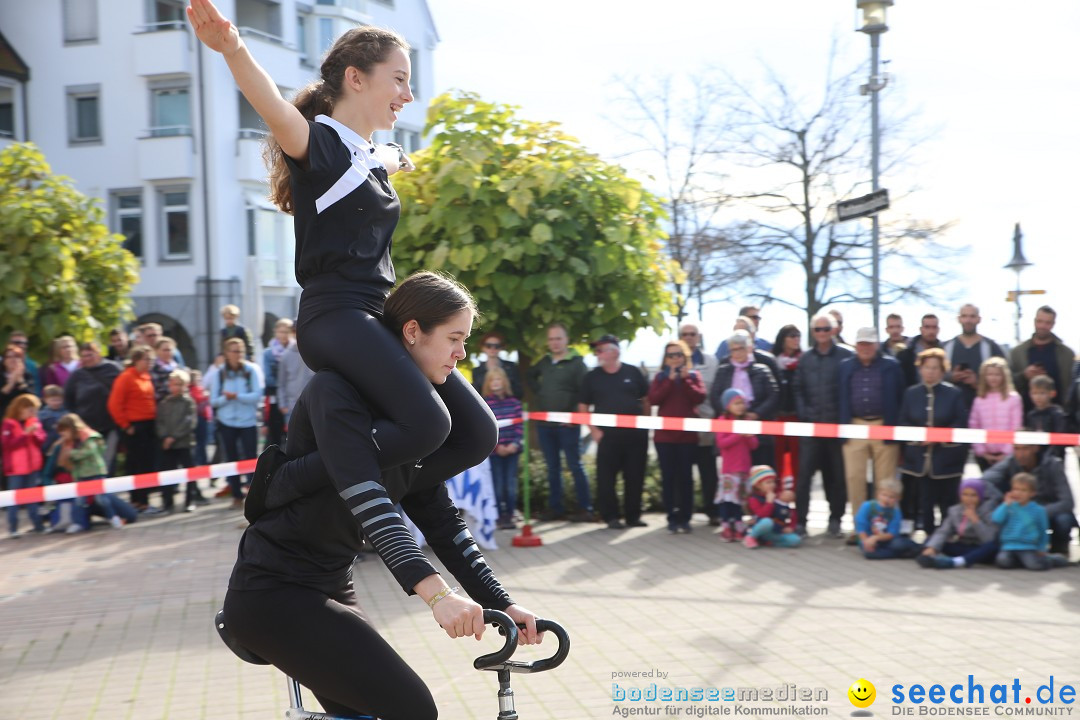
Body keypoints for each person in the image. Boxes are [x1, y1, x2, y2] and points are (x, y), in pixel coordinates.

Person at [189, 0, 495, 492]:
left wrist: (395, 159)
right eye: (398, 79)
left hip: (378, 314)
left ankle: (377, 500)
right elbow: (272, 105)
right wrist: (234, 48)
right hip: (334, 317)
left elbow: (383, 158)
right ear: (356, 78)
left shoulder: (372, 157)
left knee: (477, 433)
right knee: (429, 425)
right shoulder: (319, 145)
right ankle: (288, 482)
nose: (409, 94)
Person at [222, 271, 541, 720]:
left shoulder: (409, 419)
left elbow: (441, 519)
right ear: (412, 332)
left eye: (465, 340)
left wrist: (500, 600)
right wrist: (437, 595)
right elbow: (369, 502)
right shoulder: (335, 391)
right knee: (411, 710)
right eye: (453, 338)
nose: (461, 354)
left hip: (330, 587)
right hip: (273, 594)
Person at [838, 327, 904, 543]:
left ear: (876, 344)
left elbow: (900, 396)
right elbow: (839, 396)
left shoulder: (891, 366)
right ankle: (860, 529)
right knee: (854, 478)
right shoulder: (845, 367)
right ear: (855, 345)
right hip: (854, 425)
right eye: (861, 344)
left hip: (883, 424)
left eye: (869, 343)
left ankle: (883, 530)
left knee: (884, 481)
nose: (865, 348)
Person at [579, 333, 649, 530]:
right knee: (606, 480)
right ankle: (610, 517)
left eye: (600, 349)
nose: (597, 353)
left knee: (635, 477)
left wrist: (644, 425)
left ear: (614, 351)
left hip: (635, 437)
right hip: (607, 438)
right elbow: (583, 406)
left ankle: (633, 517)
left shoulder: (633, 372)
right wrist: (593, 431)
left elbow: (646, 400)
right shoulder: (592, 377)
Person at [792, 313, 852, 537]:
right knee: (804, 477)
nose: (822, 333)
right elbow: (797, 388)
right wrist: (804, 414)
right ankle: (800, 523)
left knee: (837, 477)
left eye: (826, 329)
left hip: (837, 429)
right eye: (818, 330)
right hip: (810, 428)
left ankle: (835, 520)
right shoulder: (806, 358)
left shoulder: (846, 356)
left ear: (834, 330)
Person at [897, 348, 968, 534]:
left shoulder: (954, 394)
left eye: (935, 368)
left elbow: (960, 422)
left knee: (948, 502)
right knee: (924, 502)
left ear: (943, 370)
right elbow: (903, 421)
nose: (931, 371)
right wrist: (918, 435)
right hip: (919, 459)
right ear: (920, 369)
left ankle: (948, 537)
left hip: (946, 459)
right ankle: (928, 537)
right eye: (927, 367)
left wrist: (938, 436)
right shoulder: (911, 393)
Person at [527, 322, 592, 522]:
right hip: (546, 425)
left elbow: (585, 393)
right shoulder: (544, 362)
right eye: (551, 339)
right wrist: (540, 395)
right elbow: (530, 377)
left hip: (568, 425)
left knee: (575, 465)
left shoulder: (577, 363)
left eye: (558, 338)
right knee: (552, 467)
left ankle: (585, 509)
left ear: (567, 340)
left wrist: (574, 416)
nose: (555, 343)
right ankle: (556, 509)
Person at [648, 339, 705, 534]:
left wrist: (686, 380)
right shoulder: (659, 377)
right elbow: (654, 399)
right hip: (664, 438)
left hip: (687, 438)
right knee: (669, 478)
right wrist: (669, 381)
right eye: (671, 355)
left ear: (685, 357)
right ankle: (671, 517)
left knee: (686, 478)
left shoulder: (694, 375)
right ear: (666, 358)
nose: (675, 358)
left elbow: (699, 397)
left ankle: (685, 518)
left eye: (678, 355)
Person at [981, 437, 1076, 555]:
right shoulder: (1010, 461)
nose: (1020, 454)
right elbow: (985, 480)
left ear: (1035, 448)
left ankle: (1059, 550)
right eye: (1016, 449)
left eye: (1025, 449)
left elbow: (1067, 502)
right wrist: (1002, 498)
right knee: (997, 513)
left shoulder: (1053, 465)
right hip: (1019, 508)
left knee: (1064, 520)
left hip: (1047, 509)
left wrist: (1037, 512)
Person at [55, 413, 135, 531]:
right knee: (79, 500)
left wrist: (71, 454)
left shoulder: (88, 436)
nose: (62, 434)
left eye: (64, 431)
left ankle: (113, 517)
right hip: (81, 475)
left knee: (101, 498)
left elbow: (90, 451)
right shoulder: (69, 442)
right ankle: (78, 522)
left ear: (71, 428)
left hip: (95, 472)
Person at [710, 330, 778, 467]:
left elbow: (774, 395)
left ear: (749, 348)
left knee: (761, 471)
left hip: (758, 428)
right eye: (733, 350)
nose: (737, 353)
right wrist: (729, 413)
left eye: (740, 348)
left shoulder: (762, 370)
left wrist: (756, 414)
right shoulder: (723, 370)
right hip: (730, 430)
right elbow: (715, 395)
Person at [210, 338, 263, 509]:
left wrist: (237, 396)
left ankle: (254, 495)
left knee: (251, 460)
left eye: (240, 350)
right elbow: (213, 401)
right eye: (234, 351)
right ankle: (236, 495)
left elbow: (257, 396)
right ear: (226, 353)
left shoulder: (251, 370)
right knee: (231, 461)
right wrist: (226, 398)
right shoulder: (219, 373)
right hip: (227, 422)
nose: (238, 354)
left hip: (248, 421)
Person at [106, 346, 159, 512]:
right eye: (146, 359)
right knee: (138, 465)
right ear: (136, 360)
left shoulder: (146, 376)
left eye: (151, 360)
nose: (150, 363)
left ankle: (140, 500)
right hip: (135, 428)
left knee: (144, 464)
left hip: (148, 426)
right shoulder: (126, 377)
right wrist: (125, 425)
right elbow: (114, 404)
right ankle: (140, 502)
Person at [679, 323, 720, 525]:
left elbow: (717, 391)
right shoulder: (671, 360)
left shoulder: (712, 361)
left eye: (692, 334)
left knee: (708, 471)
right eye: (684, 334)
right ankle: (683, 512)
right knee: (683, 471)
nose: (688, 337)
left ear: (699, 337)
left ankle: (712, 511)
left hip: (705, 423)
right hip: (681, 426)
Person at [64, 342, 122, 469]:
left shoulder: (113, 369)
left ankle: (108, 488)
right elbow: (68, 399)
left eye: (90, 355)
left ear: (98, 353)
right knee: (91, 460)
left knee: (107, 460)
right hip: (87, 426)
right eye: (83, 356)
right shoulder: (77, 375)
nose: (87, 359)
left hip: (110, 424)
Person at [917, 478, 999, 569]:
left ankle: (957, 562)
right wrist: (932, 547)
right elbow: (943, 531)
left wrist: (975, 520)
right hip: (963, 546)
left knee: (993, 546)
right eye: (965, 494)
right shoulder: (955, 510)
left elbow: (989, 538)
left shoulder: (987, 511)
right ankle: (931, 557)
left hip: (980, 548)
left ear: (980, 496)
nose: (969, 499)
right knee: (930, 540)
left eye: (973, 495)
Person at [992, 473, 1068, 570]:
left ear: (1032, 493)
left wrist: (1042, 548)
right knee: (1002, 562)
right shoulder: (1008, 506)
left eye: (1023, 490)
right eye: (1016, 489)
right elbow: (996, 519)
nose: (1018, 493)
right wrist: (1005, 504)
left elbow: (1043, 530)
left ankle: (1053, 559)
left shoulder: (1038, 510)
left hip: (1027, 547)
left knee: (1035, 565)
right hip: (1009, 546)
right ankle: (1021, 561)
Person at [1009, 305, 1075, 413]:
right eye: (1040, 321)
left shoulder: (1066, 353)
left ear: (1053, 324)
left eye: (1047, 323)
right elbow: (1008, 382)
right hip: (1025, 413)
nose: (1043, 326)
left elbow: (1071, 386)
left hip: (1058, 415)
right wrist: (1024, 375)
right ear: (1034, 321)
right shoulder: (1017, 352)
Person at [713, 388, 757, 542]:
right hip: (729, 470)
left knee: (739, 500)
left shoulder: (747, 421)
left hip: (744, 469)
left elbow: (754, 445)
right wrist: (738, 434)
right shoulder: (723, 421)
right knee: (727, 499)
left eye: (742, 403)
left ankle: (738, 526)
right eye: (736, 403)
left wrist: (749, 435)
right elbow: (722, 443)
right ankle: (726, 526)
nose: (740, 406)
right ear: (727, 405)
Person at [482, 367, 523, 530]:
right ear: (488, 384)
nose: (496, 383)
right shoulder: (485, 403)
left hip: (513, 451)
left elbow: (520, 426)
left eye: (498, 379)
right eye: (492, 380)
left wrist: (514, 444)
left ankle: (511, 514)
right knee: (497, 485)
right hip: (495, 452)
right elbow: (486, 428)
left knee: (510, 485)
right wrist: (497, 447)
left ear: (504, 382)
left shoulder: (514, 403)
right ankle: (499, 515)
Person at [942, 304, 1005, 410]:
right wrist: (951, 377)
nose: (968, 320)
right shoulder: (947, 347)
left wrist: (977, 382)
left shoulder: (991, 347)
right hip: (951, 408)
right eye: (964, 316)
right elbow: (934, 376)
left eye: (972, 316)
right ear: (959, 319)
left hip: (985, 408)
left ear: (979, 319)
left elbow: (1005, 379)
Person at [967, 357, 1023, 471]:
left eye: (997, 374)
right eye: (990, 374)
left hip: (1007, 455)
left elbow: (1016, 426)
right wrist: (981, 451)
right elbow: (974, 425)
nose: (993, 378)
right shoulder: (979, 399)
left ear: (1004, 376)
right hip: (985, 455)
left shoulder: (1013, 398)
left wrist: (1007, 451)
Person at [3, 394, 47, 537]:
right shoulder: (8, 424)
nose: (33, 414)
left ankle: (38, 526)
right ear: (20, 408)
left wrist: (34, 434)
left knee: (33, 497)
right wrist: (25, 434)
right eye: (30, 410)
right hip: (16, 469)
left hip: (32, 467)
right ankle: (13, 528)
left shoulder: (33, 421)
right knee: (14, 499)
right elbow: (7, 445)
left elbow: (41, 440)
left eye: (34, 411)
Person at [157, 369, 201, 513]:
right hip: (168, 445)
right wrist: (165, 436)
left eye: (179, 384)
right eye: (173, 384)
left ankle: (190, 500)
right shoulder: (164, 403)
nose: (176, 387)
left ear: (185, 385)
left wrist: (174, 437)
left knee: (190, 473)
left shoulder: (189, 403)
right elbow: (160, 422)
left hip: (184, 443)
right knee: (167, 474)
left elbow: (189, 422)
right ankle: (167, 503)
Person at [771, 324, 802, 496]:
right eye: (792, 335)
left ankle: (796, 500)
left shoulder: (803, 361)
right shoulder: (773, 361)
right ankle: (776, 499)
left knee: (797, 463)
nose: (796, 339)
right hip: (778, 418)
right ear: (783, 339)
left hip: (797, 418)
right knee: (777, 462)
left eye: (798, 335)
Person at [855, 480, 921, 559]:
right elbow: (861, 527)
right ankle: (900, 554)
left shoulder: (896, 512)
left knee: (899, 544)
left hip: (887, 540)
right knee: (869, 553)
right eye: (884, 495)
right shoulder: (867, 506)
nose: (886, 499)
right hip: (868, 538)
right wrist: (866, 541)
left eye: (891, 497)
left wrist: (876, 538)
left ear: (898, 498)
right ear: (878, 494)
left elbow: (892, 533)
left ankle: (918, 549)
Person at [743, 465, 801, 549]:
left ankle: (769, 542)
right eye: (768, 482)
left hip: (776, 530)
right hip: (762, 529)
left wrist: (791, 527)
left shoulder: (778, 495)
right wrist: (769, 502)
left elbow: (791, 512)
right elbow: (762, 515)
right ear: (758, 485)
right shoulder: (754, 499)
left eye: (773, 482)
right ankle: (750, 537)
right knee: (767, 521)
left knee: (795, 540)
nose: (772, 485)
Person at [262, 318, 293, 448]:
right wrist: (283, 382)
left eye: (287, 331)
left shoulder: (296, 350)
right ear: (275, 332)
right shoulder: (269, 353)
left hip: (292, 395)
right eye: (281, 331)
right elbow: (268, 378)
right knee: (275, 430)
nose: (284, 335)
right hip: (275, 396)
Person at [472, 331, 523, 401]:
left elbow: (519, 392)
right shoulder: (477, 371)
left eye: (497, 346)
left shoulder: (511, 367)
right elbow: (476, 395)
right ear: (482, 347)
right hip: (487, 407)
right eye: (488, 345)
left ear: (501, 347)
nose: (492, 349)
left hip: (509, 406)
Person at [1026, 375, 1068, 460]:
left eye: (1042, 393)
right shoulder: (1031, 415)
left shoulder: (1057, 414)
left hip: (1054, 458)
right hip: (1035, 457)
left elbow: (1060, 439)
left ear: (1052, 394)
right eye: (1034, 393)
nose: (1038, 397)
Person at [897, 314, 943, 388]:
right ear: (921, 329)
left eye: (934, 327)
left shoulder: (944, 351)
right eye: (927, 327)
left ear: (938, 329)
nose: (931, 331)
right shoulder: (907, 352)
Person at [0, 343, 33, 416]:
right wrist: (10, 384)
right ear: (4, 360)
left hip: (22, 416)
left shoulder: (27, 376)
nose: (12, 359)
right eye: (9, 357)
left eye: (16, 357)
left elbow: (31, 399)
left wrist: (20, 381)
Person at [150, 337, 183, 402]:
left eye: (170, 350)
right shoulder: (152, 368)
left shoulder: (179, 368)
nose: (168, 353)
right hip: (160, 405)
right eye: (165, 350)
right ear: (157, 351)